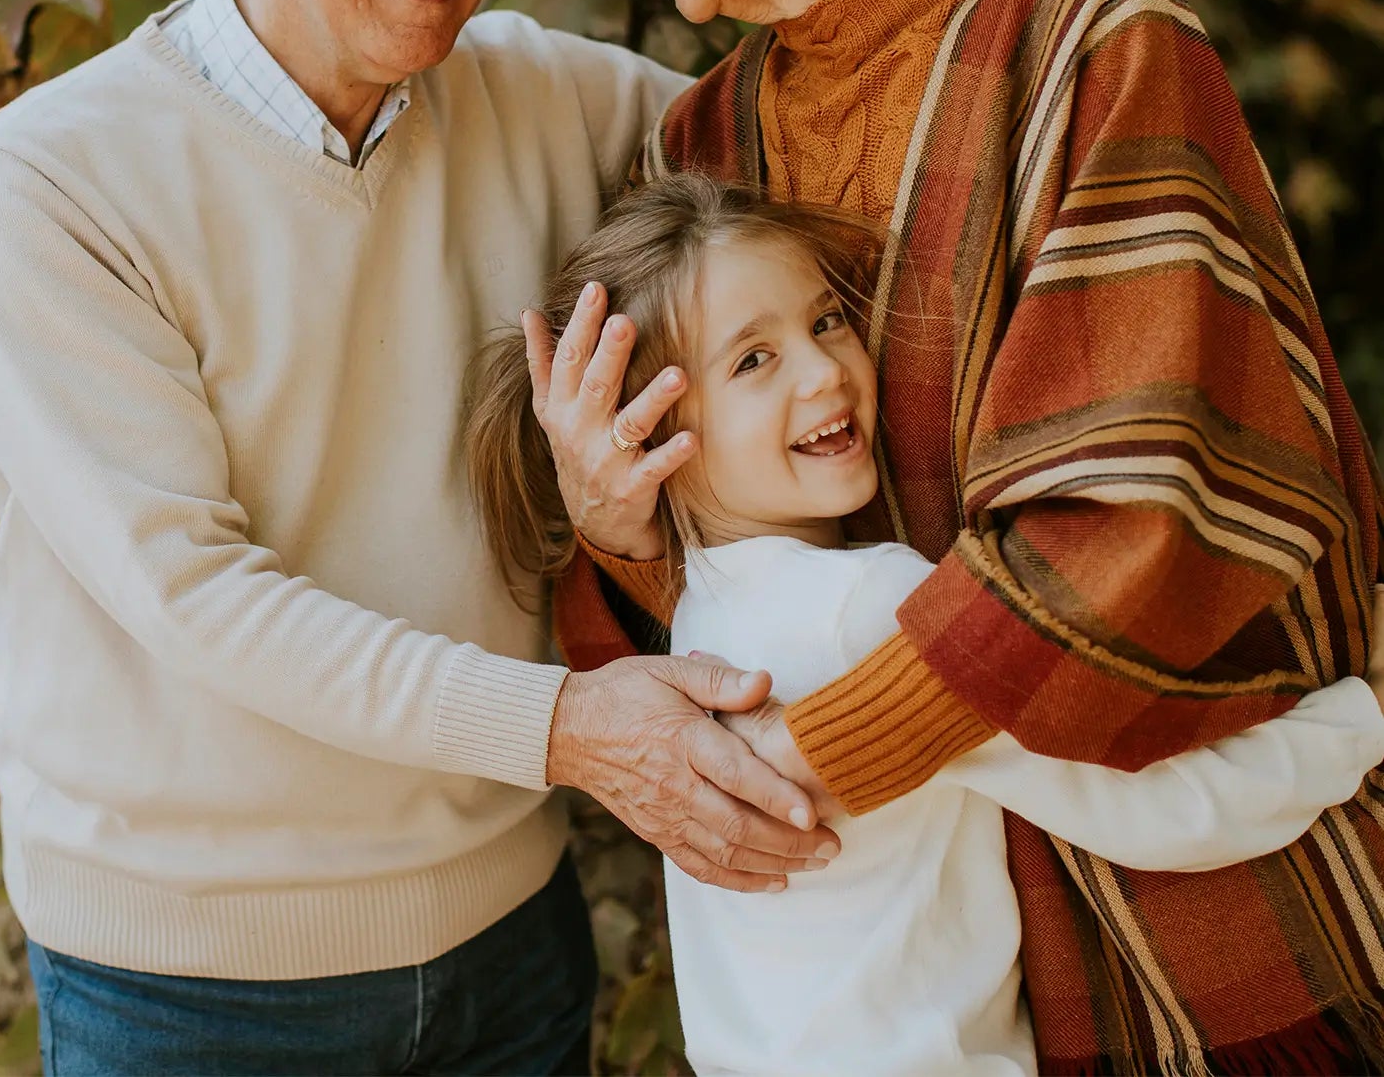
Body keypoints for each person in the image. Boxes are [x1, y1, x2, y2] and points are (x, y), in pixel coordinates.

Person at [0, 0, 1123, 1077]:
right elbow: (196, 594)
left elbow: (848, 127)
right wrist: (570, 727)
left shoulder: (557, 104)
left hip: (508, 936)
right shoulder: (45, 185)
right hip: (193, 979)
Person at [483, 0, 1384, 1071]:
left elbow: (1146, 523)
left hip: (1200, 919)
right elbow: (726, 601)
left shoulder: (1091, 29)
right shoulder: (704, 145)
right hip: (928, 967)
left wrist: (809, 756)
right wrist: (621, 524)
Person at [466, 172, 1384, 1077]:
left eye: (825, 320)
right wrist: (1362, 718)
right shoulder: (864, 608)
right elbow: (1160, 810)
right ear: (649, 431)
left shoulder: (698, 613)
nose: (826, 368)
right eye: (753, 359)